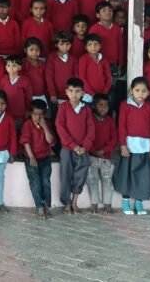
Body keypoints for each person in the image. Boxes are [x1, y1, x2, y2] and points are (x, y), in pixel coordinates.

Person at [113, 76, 150, 215]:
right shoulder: (125, 105)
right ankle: (125, 201)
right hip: (130, 146)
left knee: (143, 176)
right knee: (127, 175)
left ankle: (139, 202)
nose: (140, 94)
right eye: (137, 90)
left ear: (148, 92)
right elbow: (122, 126)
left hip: (145, 146)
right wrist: (123, 145)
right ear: (131, 91)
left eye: (144, 91)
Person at [55, 78, 95, 214]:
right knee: (65, 175)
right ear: (66, 92)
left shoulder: (86, 109)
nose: (74, 94)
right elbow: (60, 127)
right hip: (67, 148)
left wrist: (85, 146)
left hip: (83, 149)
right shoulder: (63, 107)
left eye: (77, 91)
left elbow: (91, 128)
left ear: (83, 93)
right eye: (71, 91)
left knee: (80, 175)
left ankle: (74, 202)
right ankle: (66, 202)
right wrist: (73, 146)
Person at [19, 99, 55, 219]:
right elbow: (25, 141)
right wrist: (31, 157)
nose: (38, 117)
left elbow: (50, 141)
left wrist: (44, 127)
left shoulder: (47, 125)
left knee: (46, 182)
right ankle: (39, 206)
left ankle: (47, 206)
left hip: (45, 158)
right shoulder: (28, 124)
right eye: (35, 114)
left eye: (40, 115)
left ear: (44, 114)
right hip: (31, 158)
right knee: (35, 183)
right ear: (30, 113)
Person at [87, 94, 117, 214]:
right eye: (100, 105)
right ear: (94, 106)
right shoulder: (90, 119)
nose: (103, 108)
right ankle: (94, 204)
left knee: (107, 180)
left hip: (105, 156)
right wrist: (93, 150)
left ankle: (107, 204)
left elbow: (114, 140)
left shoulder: (110, 121)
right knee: (92, 180)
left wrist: (103, 150)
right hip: (91, 156)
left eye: (106, 105)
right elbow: (87, 136)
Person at [0, 55, 32, 132]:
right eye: (8, 65)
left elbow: (28, 97)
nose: (11, 68)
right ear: (5, 67)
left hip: (20, 114)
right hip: (5, 112)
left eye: (14, 66)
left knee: (18, 131)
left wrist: (28, 109)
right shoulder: (3, 79)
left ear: (20, 67)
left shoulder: (25, 81)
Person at [77, 34, 112, 102]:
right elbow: (82, 78)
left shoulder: (104, 60)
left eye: (96, 44)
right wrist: (92, 93)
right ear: (85, 47)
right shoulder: (83, 59)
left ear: (100, 46)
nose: (93, 47)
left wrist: (104, 92)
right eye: (89, 44)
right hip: (88, 95)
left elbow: (108, 77)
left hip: (103, 93)